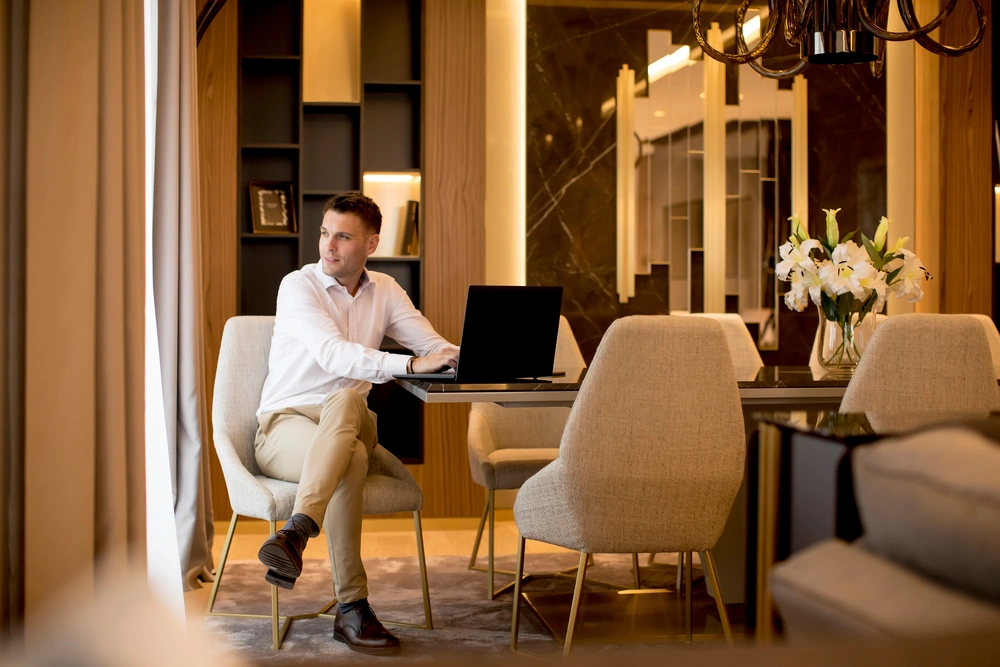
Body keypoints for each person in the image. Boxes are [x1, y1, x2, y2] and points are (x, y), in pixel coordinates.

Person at [253, 192, 458, 654]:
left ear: (370, 244)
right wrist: (408, 366)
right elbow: (332, 353)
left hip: (351, 419)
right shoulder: (297, 286)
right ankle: (352, 608)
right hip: (285, 425)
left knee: (346, 399)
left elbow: (432, 345)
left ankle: (297, 529)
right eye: (325, 233)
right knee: (350, 461)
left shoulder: (385, 289)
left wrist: (473, 360)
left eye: (343, 237)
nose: (329, 246)